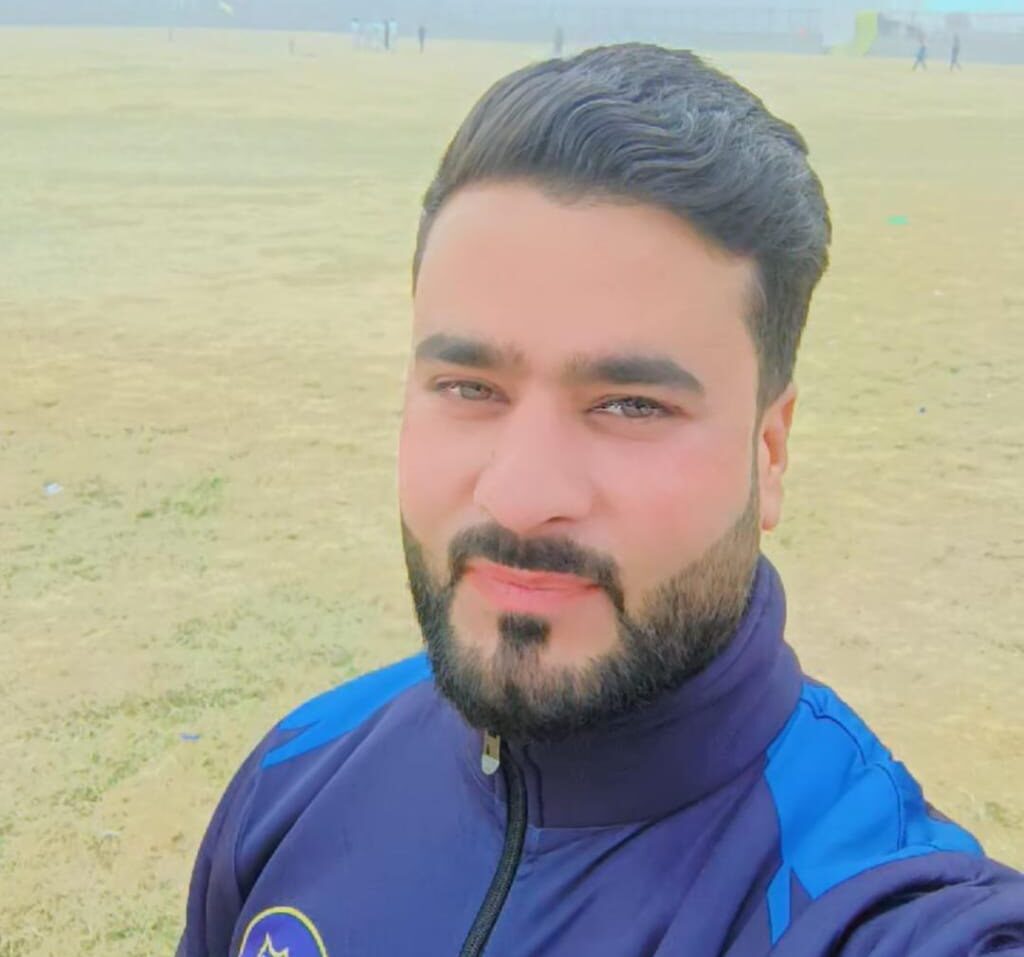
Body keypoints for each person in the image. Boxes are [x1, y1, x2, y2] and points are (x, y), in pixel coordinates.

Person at [175, 44, 1024, 957]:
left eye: (631, 405)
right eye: (469, 387)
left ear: (768, 453)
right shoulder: (297, 776)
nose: (519, 495)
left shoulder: (877, 910)